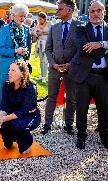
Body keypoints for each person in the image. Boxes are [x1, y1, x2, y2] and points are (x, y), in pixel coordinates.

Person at [69, 0, 108, 149]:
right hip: (84, 76)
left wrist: (101, 44)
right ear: (88, 13)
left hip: (104, 76)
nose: (95, 14)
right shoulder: (81, 28)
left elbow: (94, 47)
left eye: (99, 10)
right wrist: (105, 45)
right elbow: (84, 48)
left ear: (104, 12)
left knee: (104, 108)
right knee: (82, 109)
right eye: (92, 11)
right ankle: (81, 137)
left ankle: (104, 136)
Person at [42, 0, 81, 135]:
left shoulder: (80, 27)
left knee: (71, 98)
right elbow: (48, 49)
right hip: (54, 69)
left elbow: (81, 50)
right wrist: (53, 64)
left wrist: (71, 64)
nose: (57, 11)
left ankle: (68, 124)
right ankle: (47, 123)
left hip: (72, 70)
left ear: (69, 10)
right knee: (51, 97)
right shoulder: (54, 28)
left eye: (60, 9)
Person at [0, 60, 40, 154]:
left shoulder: (30, 88)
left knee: (16, 125)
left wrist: (4, 119)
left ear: (22, 74)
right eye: (9, 70)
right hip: (13, 114)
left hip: (30, 116)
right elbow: (4, 105)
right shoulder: (7, 85)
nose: (9, 73)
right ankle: (13, 138)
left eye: (13, 70)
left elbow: (23, 112)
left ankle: (27, 141)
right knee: (7, 144)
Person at [0, 4, 31, 120]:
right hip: (6, 67)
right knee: (3, 95)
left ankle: (12, 120)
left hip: (20, 68)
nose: (22, 18)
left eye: (24, 16)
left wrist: (25, 52)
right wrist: (15, 51)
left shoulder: (26, 29)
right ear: (13, 15)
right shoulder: (5, 29)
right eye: (20, 16)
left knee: (18, 95)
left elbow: (27, 47)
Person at [33, 12, 52, 83]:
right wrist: (36, 34)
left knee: (45, 61)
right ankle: (42, 75)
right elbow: (36, 33)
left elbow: (51, 32)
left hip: (47, 45)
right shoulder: (38, 25)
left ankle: (44, 77)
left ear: (44, 18)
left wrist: (42, 33)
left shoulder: (49, 24)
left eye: (40, 19)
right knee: (41, 61)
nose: (39, 20)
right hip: (39, 44)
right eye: (38, 19)